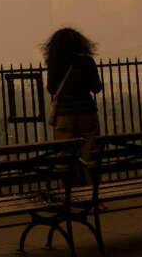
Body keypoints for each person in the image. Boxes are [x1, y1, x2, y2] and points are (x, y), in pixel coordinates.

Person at [43, 27, 103, 183]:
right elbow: (96, 88)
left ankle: (71, 196)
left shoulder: (55, 63)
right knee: (91, 157)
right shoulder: (87, 61)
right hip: (87, 115)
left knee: (66, 160)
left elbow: (51, 88)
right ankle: (93, 196)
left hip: (64, 117)